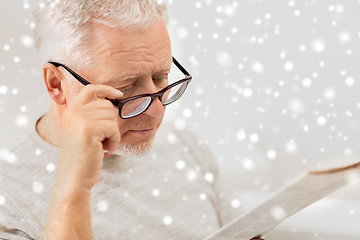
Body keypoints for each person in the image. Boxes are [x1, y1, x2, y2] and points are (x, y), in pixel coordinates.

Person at [0, 1, 262, 239]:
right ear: (57, 84)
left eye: (160, 77)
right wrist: (74, 183)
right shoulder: (8, 199)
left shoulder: (184, 146)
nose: (157, 111)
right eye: (126, 88)